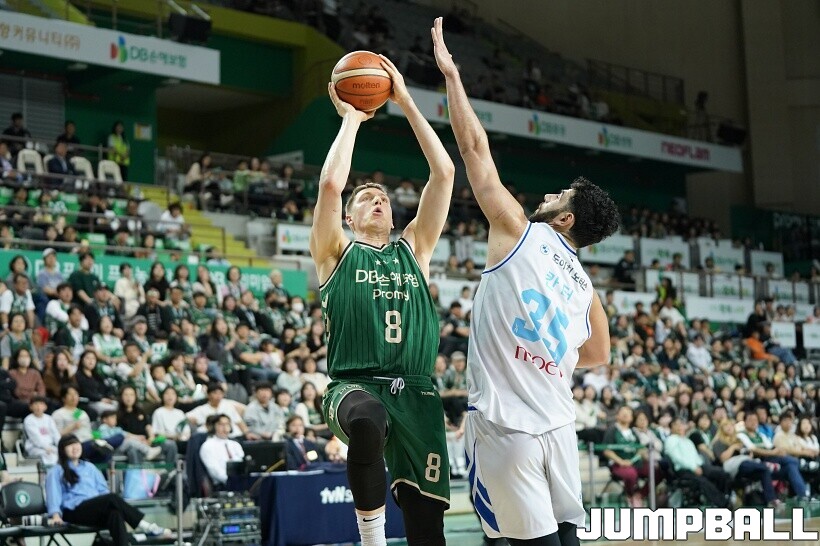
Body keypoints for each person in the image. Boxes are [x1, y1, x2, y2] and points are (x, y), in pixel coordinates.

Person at [432, 18, 619, 546]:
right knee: (566, 538)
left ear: (565, 219)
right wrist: (545, 356)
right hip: (558, 425)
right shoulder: (584, 287)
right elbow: (599, 355)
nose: (547, 197)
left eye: (558, 197)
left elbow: (474, 150)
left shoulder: (518, 230)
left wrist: (452, 77)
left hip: (506, 424)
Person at [310, 55, 454, 546]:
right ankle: (371, 538)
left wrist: (406, 100)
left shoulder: (415, 249)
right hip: (354, 384)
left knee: (427, 527)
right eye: (366, 199)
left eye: (384, 199)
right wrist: (352, 118)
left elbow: (444, 173)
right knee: (368, 421)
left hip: (418, 393)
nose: (378, 200)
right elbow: (331, 184)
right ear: (349, 219)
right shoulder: (335, 252)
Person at [46, 435, 170, 545]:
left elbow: (103, 490)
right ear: (62, 450)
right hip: (73, 511)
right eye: (69, 445)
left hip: (94, 509)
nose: (74, 447)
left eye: (76, 443)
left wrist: (108, 504)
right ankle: (146, 526)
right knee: (111, 498)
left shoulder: (90, 467)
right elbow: (53, 494)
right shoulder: (56, 471)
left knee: (115, 514)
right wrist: (55, 515)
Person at [199, 414, 245, 488]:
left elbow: (242, 463)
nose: (225, 427)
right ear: (214, 427)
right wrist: (230, 480)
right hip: (222, 484)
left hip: (240, 481)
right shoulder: (208, 445)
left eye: (227, 424)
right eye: (221, 424)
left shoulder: (235, 444)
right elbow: (214, 470)